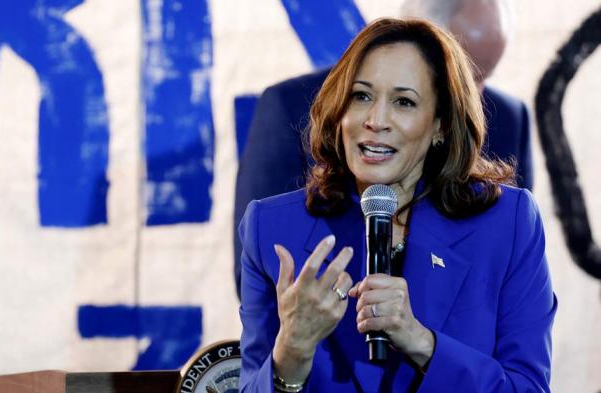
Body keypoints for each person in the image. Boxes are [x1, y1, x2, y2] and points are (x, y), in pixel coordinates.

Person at [238, 18, 556, 392]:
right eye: (361, 96)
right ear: (339, 110)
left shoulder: (507, 225)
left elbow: (528, 388)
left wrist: (422, 342)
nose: (376, 120)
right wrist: (291, 353)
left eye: (404, 102)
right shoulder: (271, 229)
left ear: (440, 124)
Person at [233, 0, 533, 299]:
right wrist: (300, 339)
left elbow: (510, 293)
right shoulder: (286, 105)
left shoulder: (509, 119)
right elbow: (258, 274)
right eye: (465, 74)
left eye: (483, 77)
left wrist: (421, 337)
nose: (473, 98)